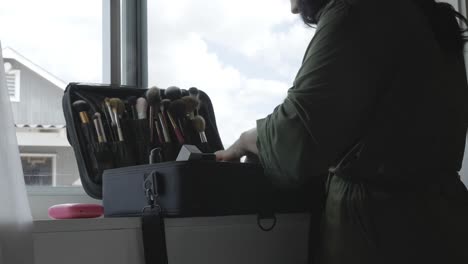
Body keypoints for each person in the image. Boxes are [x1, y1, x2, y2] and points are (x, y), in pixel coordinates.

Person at [216, 0, 468, 263]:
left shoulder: (356, 12)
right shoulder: (423, 13)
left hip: (380, 234)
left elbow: (297, 138)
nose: (293, 9)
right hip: (445, 225)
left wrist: (246, 141)